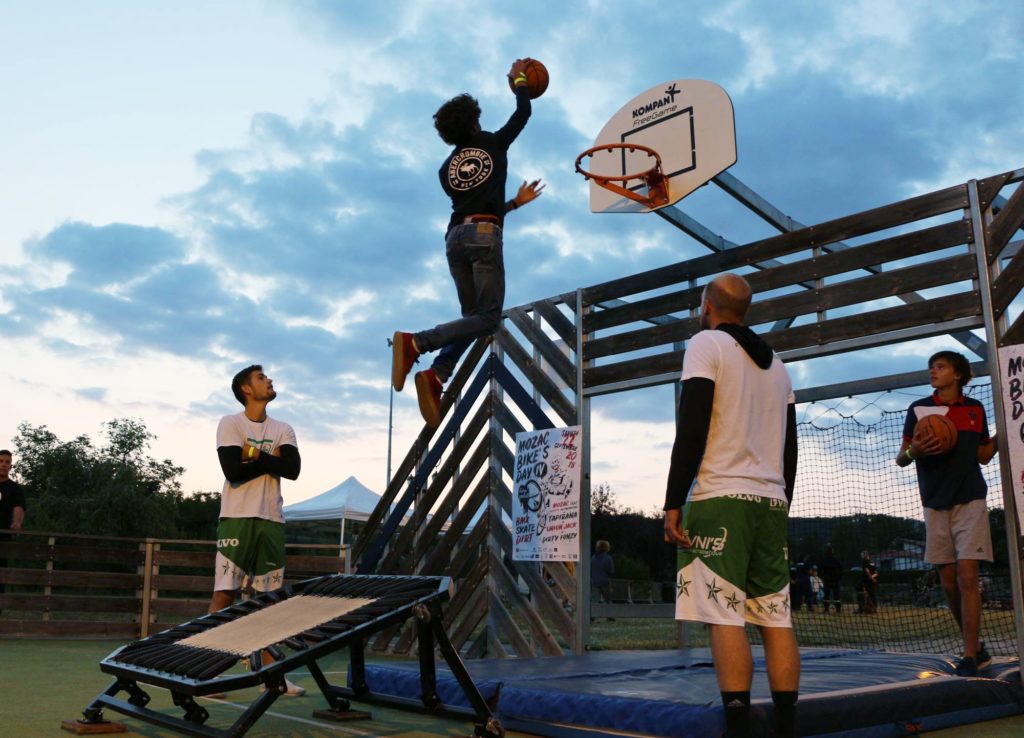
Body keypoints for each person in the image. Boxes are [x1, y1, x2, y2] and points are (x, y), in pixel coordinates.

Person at [663, 273, 800, 738]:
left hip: (721, 497)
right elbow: (790, 448)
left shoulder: (706, 344)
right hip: (771, 500)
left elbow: (692, 425)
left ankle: (738, 729)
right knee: (775, 617)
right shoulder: (779, 365)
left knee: (725, 615)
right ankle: (786, 728)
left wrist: (672, 501)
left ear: (707, 306)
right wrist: (783, 503)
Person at [392, 58, 545, 428]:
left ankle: (438, 374)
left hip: (454, 238)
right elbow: (523, 112)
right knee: (488, 318)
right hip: (484, 235)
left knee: (472, 319)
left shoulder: (445, 171)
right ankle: (418, 343)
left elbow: (475, 207)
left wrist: (513, 204)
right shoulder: (493, 143)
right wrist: (519, 79)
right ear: (475, 121)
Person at [896, 350, 998, 676]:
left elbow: (983, 456)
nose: (933, 372)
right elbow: (901, 458)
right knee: (949, 583)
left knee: (968, 577)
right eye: (931, 368)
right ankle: (977, 647)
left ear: (957, 373)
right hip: (934, 503)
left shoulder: (975, 409)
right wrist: (915, 450)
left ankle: (969, 655)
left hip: (970, 499)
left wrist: (1003, 435)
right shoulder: (918, 409)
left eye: (939, 367)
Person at [209, 364, 305, 696]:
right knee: (225, 594)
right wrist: (268, 457)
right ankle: (209, 672)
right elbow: (233, 471)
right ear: (246, 389)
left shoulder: (284, 427)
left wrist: (252, 454)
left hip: (272, 521)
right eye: (262, 378)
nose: (270, 380)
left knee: (270, 600)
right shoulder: (230, 423)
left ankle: (268, 674)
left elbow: (291, 469)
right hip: (237, 518)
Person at [0, 450, 28, 612]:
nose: (4, 464)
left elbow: (18, 507)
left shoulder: (14, 488)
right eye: (1, 461)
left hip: (2, 542)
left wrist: (17, 523)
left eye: (7, 462)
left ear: (10, 466)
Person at [819, 546, 843, 614]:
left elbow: (820, 569)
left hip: (827, 579)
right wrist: (839, 577)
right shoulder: (836, 560)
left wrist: (823, 575)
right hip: (835, 580)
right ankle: (838, 609)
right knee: (836, 595)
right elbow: (841, 569)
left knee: (826, 595)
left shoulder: (824, 560)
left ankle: (826, 609)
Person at [591, 539, 614, 605]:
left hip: (594, 582)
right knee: (608, 602)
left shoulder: (593, 558)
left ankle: (594, 614)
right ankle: (608, 614)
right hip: (605, 582)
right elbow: (611, 571)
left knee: (594, 602)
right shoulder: (608, 558)